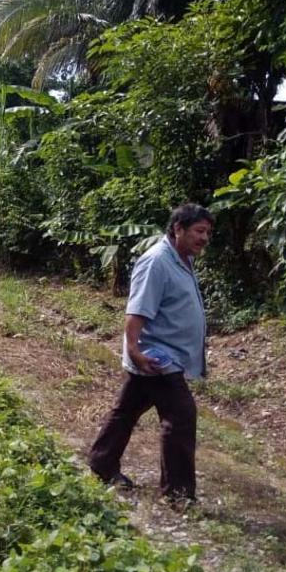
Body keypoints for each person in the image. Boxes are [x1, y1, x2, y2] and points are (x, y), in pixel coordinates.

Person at [88, 203, 213, 505]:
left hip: (162, 354)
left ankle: (101, 464)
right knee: (181, 416)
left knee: (126, 410)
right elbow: (138, 309)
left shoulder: (181, 259)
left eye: (208, 232)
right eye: (199, 231)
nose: (204, 238)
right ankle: (178, 494)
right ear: (178, 229)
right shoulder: (157, 261)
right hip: (156, 356)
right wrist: (134, 349)